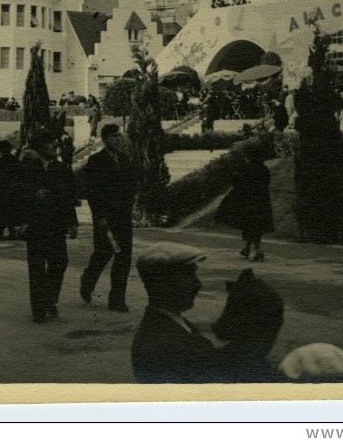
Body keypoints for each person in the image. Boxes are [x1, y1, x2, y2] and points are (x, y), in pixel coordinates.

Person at [131, 242, 284, 383]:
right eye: (188, 275)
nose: (198, 284)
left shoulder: (173, 326)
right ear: (161, 283)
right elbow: (218, 383)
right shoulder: (163, 346)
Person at [18, 132, 78, 323]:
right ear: (39, 146)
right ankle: (39, 309)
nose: (54, 145)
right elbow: (15, 193)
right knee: (36, 266)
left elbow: (68, 196)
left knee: (60, 261)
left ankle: (49, 298)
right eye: (49, 142)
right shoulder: (27, 167)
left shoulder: (60, 167)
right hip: (35, 223)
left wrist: (73, 222)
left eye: (54, 142)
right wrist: (33, 195)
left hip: (56, 224)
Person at [80, 124, 136, 312]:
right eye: (115, 136)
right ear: (105, 139)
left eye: (120, 136)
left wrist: (130, 207)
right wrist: (100, 217)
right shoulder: (96, 161)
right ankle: (87, 281)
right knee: (103, 255)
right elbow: (92, 192)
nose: (119, 139)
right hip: (105, 218)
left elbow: (130, 186)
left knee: (124, 258)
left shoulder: (124, 159)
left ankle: (117, 299)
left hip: (123, 217)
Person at [215, 142, 274, 262]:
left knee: (250, 225)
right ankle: (247, 248)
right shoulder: (264, 169)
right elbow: (267, 182)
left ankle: (258, 250)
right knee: (256, 225)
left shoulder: (245, 168)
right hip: (261, 200)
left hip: (247, 200)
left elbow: (236, 182)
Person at [0, 139, 22, 239]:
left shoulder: (0, 162)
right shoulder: (14, 160)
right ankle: (6, 230)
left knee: (2, 210)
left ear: (0, 150)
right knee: (9, 210)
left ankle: (7, 231)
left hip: (2, 191)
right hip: (12, 190)